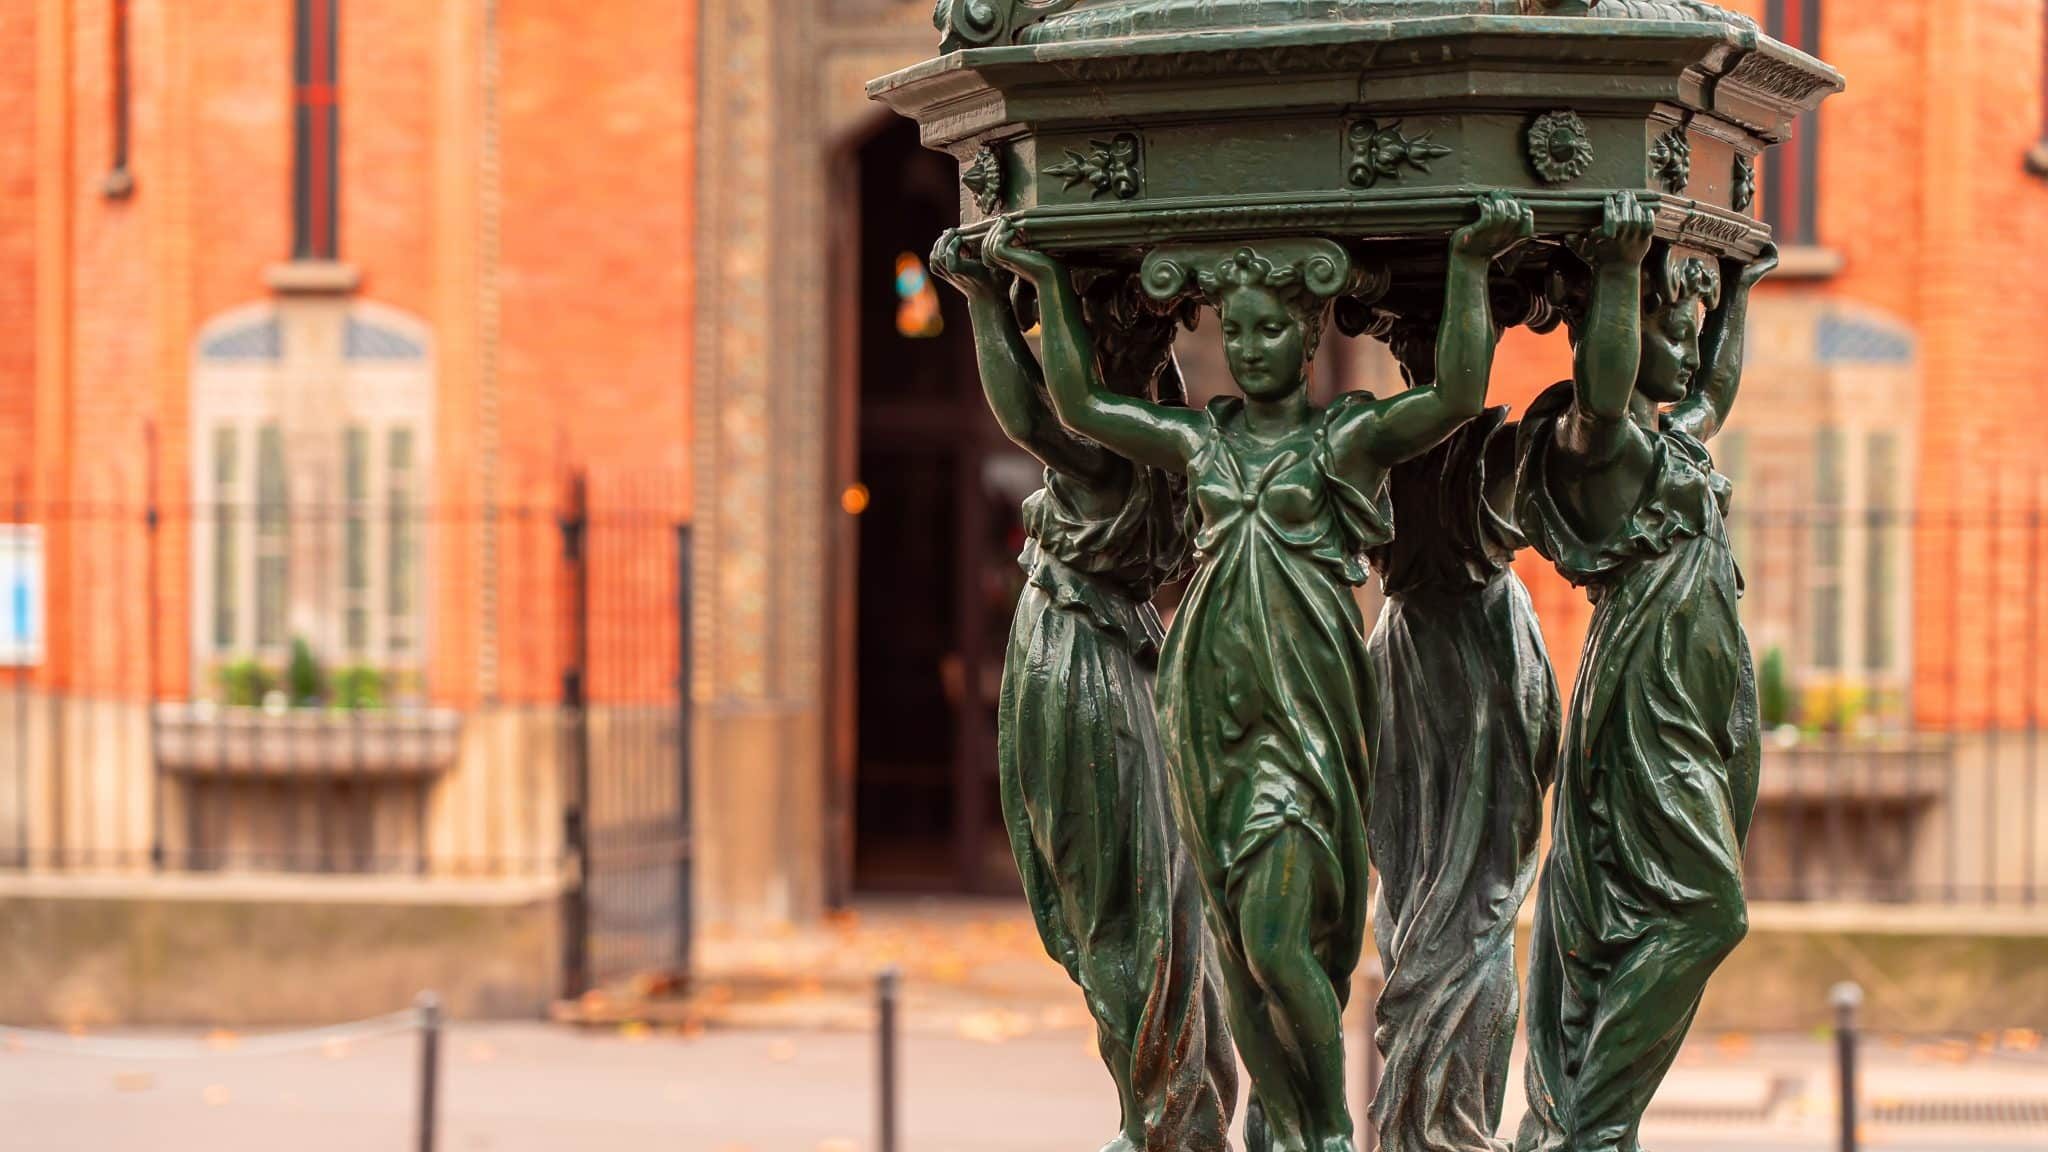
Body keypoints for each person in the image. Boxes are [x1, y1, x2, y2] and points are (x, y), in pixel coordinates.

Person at [986, 194, 1528, 1152]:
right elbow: (1077, 405)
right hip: (1209, 711)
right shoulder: (1203, 442)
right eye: (1235, 329)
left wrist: (1475, 265)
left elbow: (1452, 396)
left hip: (1304, 717)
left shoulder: (1344, 442)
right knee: (1239, 955)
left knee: (1283, 940)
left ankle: (1323, 1128)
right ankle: (1279, 1124)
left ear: (1312, 330)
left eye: (1272, 326)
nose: (1251, 346)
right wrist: (1038, 287)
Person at [929, 229, 1236, 1152]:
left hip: (1107, 660)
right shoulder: (1132, 452)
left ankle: (1174, 1116)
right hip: (1084, 659)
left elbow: (1041, 408)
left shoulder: (1130, 448)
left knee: (1148, 900)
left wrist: (1002, 296)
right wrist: (1009, 298)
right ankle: (1164, 1116)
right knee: (1127, 899)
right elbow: (1040, 407)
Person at [1513, 191, 1776, 1152]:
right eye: (1673, 328)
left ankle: (1595, 1121)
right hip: (1645, 706)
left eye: (1691, 326)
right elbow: (1600, 388)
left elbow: (1717, 389)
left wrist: (1741, 290)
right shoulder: (1605, 449)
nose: (1688, 343)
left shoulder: (1675, 446)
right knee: (1705, 914)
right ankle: (1595, 1125)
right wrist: (1621, 276)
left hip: (1703, 709)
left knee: (1655, 916)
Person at [1363, 318, 1561, 1152]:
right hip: (1415, 651)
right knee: (1414, 907)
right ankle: (1425, 1125)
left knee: (1475, 916)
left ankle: (1453, 1127)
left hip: (1477, 646)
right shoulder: (1375, 440)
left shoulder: (1493, 450)